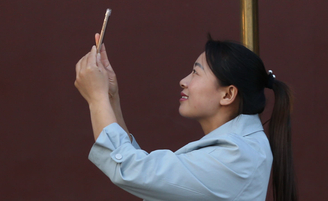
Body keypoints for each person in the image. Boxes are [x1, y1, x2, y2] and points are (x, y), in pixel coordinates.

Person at [75, 36, 297, 201]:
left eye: (196, 72)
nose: (184, 81)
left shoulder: (237, 156)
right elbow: (142, 171)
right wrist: (110, 97)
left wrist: (97, 99)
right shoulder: (239, 148)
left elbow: (130, 169)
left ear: (228, 94)